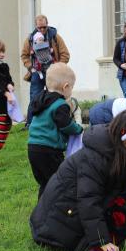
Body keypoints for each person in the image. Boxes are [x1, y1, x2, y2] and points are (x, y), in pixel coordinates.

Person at [29, 108, 126, 251]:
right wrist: (100, 241)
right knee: (104, 209)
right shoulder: (94, 160)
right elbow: (88, 201)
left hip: (73, 209)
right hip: (58, 220)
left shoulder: (116, 149)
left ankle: (100, 236)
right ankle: (89, 245)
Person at [28, 63, 83, 199]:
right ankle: (55, 211)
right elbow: (66, 125)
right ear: (65, 87)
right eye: (71, 88)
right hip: (49, 150)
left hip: (33, 148)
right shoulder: (60, 105)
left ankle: (41, 211)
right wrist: (78, 128)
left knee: (45, 182)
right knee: (58, 181)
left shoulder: (40, 100)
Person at [21, 14, 70, 129]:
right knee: (35, 97)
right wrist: (30, 67)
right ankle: (30, 123)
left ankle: (53, 122)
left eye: (44, 27)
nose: (42, 30)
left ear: (47, 25)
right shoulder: (30, 39)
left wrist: (57, 67)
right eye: (40, 28)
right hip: (36, 73)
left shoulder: (55, 37)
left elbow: (65, 55)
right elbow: (24, 55)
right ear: (36, 26)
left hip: (52, 73)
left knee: (54, 97)